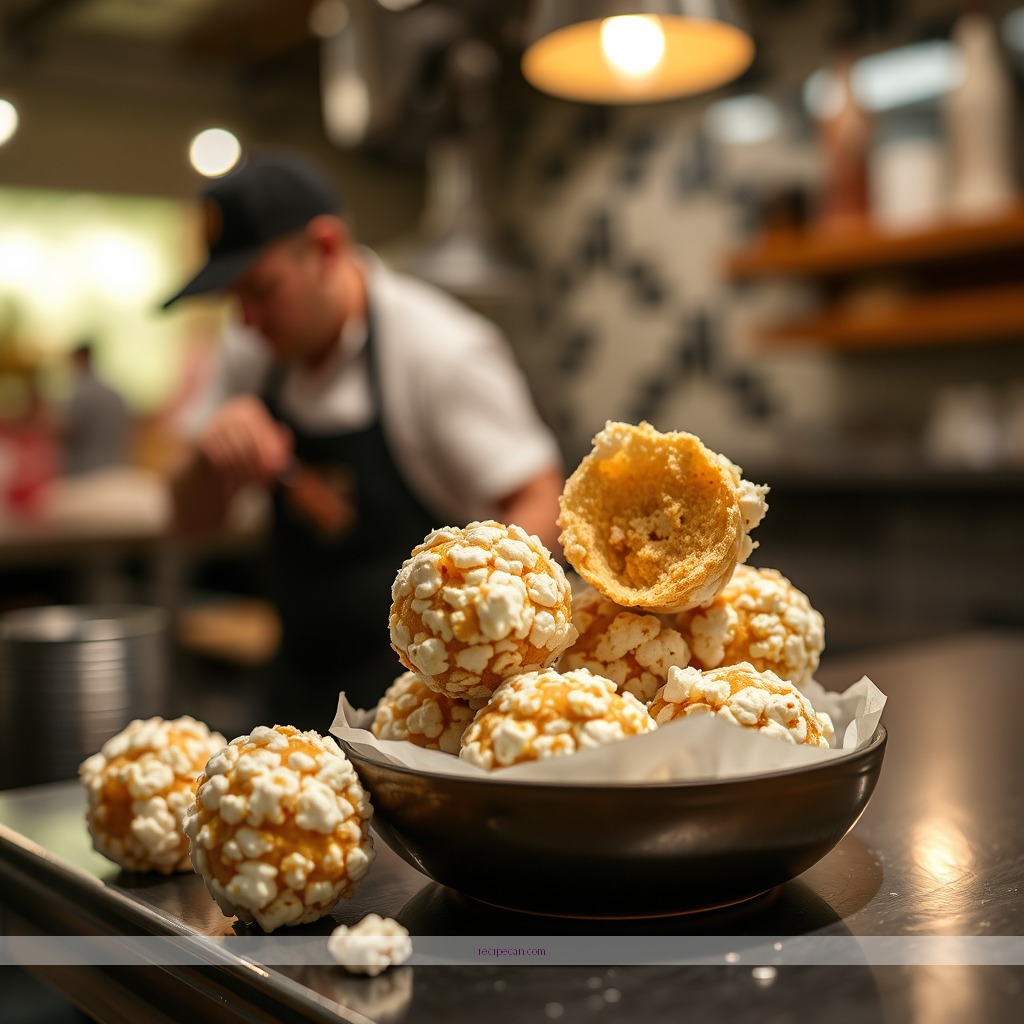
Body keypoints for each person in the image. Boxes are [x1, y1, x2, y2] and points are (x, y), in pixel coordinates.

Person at [163, 147, 564, 727]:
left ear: (324, 248)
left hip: (427, 701)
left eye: (262, 290)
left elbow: (538, 494)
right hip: (298, 681)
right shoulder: (255, 349)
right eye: (235, 300)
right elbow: (186, 519)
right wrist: (210, 455)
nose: (246, 320)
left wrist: (477, 621)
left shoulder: (440, 351)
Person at [60, 342, 130, 475]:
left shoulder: (81, 394)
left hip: (86, 471)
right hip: (114, 467)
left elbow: (66, 431)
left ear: (80, 359)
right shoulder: (115, 394)